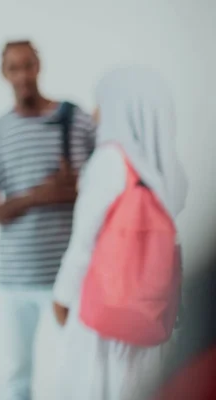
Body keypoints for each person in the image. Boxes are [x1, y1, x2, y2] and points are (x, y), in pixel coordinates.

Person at [52, 66, 188, 400]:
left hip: (103, 315)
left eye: (100, 103)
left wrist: (62, 296)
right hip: (152, 312)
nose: (96, 114)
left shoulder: (110, 160)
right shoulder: (167, 170)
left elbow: (83, 244)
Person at [0, 40, 95, 400]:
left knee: (80, 369)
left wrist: (71, 192)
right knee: (17, 377)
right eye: (14, 68)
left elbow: (107, 187)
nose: (23, 75)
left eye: (28, 65)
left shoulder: (75, 119)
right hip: (16, 279)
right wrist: (39, 196)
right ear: (4, 74)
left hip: (69, 276)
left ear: (39, 66)